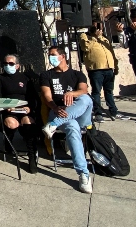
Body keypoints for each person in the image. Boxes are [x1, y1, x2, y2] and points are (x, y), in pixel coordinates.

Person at [40, 47, 94, 194]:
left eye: (53, 55)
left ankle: (52, 125)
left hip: (79, 113)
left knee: (86, 99)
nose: (50, 58)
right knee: (72, 127)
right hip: (59, 112)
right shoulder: (46, 75)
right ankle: (83, 174)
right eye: (49, 55)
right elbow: (47, 96)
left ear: (62, 56)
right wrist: (55, 107)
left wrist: (71, 93)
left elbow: (83, 90)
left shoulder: (77, 74)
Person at [0, 54, 41, 173]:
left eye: (11, 64)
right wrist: (7, 107)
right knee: (11, 123)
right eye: (5, 64)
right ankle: (8, 143)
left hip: (24, 109)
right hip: (9, 110)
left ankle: (31, 157)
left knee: (28, 122)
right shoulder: (0, 78)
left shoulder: (25, 79)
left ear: (17, 66)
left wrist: (29, 108)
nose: (8, 66)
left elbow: (33, 97)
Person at [79, 25, 129, 122]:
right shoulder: (85, 36)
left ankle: (113, 111)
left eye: (100, 27)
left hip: (109, 68)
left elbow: (111, 53)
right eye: (97, 27)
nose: (99, 29)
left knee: (109, 91)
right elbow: (85, 47)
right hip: (96, 69)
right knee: (96, 92)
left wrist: (115, 66)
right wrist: (95, 37)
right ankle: (98, 113)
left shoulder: (104, 38)